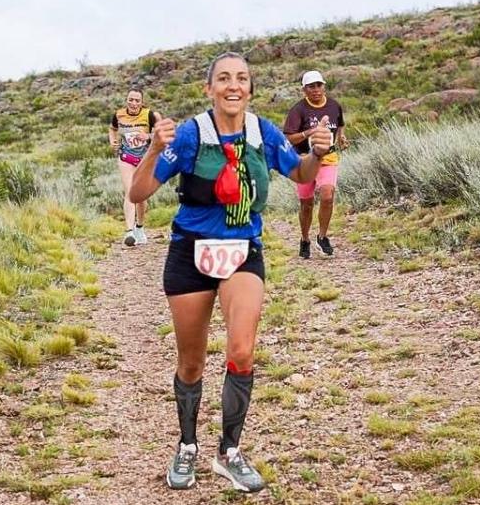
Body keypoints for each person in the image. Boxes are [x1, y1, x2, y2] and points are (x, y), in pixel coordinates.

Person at [129, 52, 332, 493]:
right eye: (223, 78)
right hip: (190, 252)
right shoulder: (188, 135)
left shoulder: (263, 132)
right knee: (191, 361)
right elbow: (139, 190)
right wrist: (154, 149)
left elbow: (298, 170)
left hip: (243, 250)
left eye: (241, 78)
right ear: (209, 88)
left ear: (251, 88)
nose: (232, 85)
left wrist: (316, 155)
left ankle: (230, 452)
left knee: (241, 350)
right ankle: (187, 445)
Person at [282, 70, 348, 259]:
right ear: (304, 90)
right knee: (306, 204)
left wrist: (341, 137)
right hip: (304, 160)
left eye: (319, 85)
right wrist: (309, 132)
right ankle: (305, 239)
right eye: (311, 86)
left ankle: (322, 236)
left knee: (327, 195)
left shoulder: (334, 106)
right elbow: (289, 138)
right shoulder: (298, 110)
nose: (316, 90)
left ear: (324, 86)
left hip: (328, 158)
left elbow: (340, 124)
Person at [109, 87, 161, 246]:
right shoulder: (119, 114)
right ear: (126, 100)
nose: (133, 103)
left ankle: (139, 227)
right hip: (126, 158)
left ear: (142, 102)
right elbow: (112, 128)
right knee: (130, 191)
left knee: (141, 196)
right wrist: (112, 140)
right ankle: (129, 232)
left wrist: (148, 136)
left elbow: (162, 133)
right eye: (130, 99)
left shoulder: (149, 115)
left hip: (145, 160)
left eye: (137, 100)